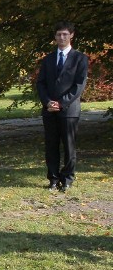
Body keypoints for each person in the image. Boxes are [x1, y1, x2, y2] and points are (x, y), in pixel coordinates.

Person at [36, 21, 88, 192]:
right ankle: (53, 178)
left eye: (65, 34)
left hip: (69, 111)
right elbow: (41, 83)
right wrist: (47, 102)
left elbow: (79, 85)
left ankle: (67, 179)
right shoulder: (48, 59)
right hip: (49, 110)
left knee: (68, 146)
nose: (62, 37)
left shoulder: (80, 58)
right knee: (51, 146)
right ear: (55, 36)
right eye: (59, 34)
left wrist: (62, 103)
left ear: (71, 35)